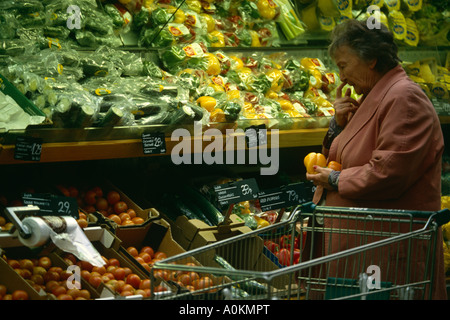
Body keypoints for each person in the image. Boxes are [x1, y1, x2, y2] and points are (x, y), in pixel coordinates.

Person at [305, 19, 447, 299]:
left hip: (386, 253)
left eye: (344, 66)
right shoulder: (376, 95)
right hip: (364, 250)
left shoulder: (404, 98)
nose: (341, 77)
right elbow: (347, 153)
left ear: (370, 59)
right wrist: (338, 125)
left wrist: (334, 179)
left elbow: (389, 173)